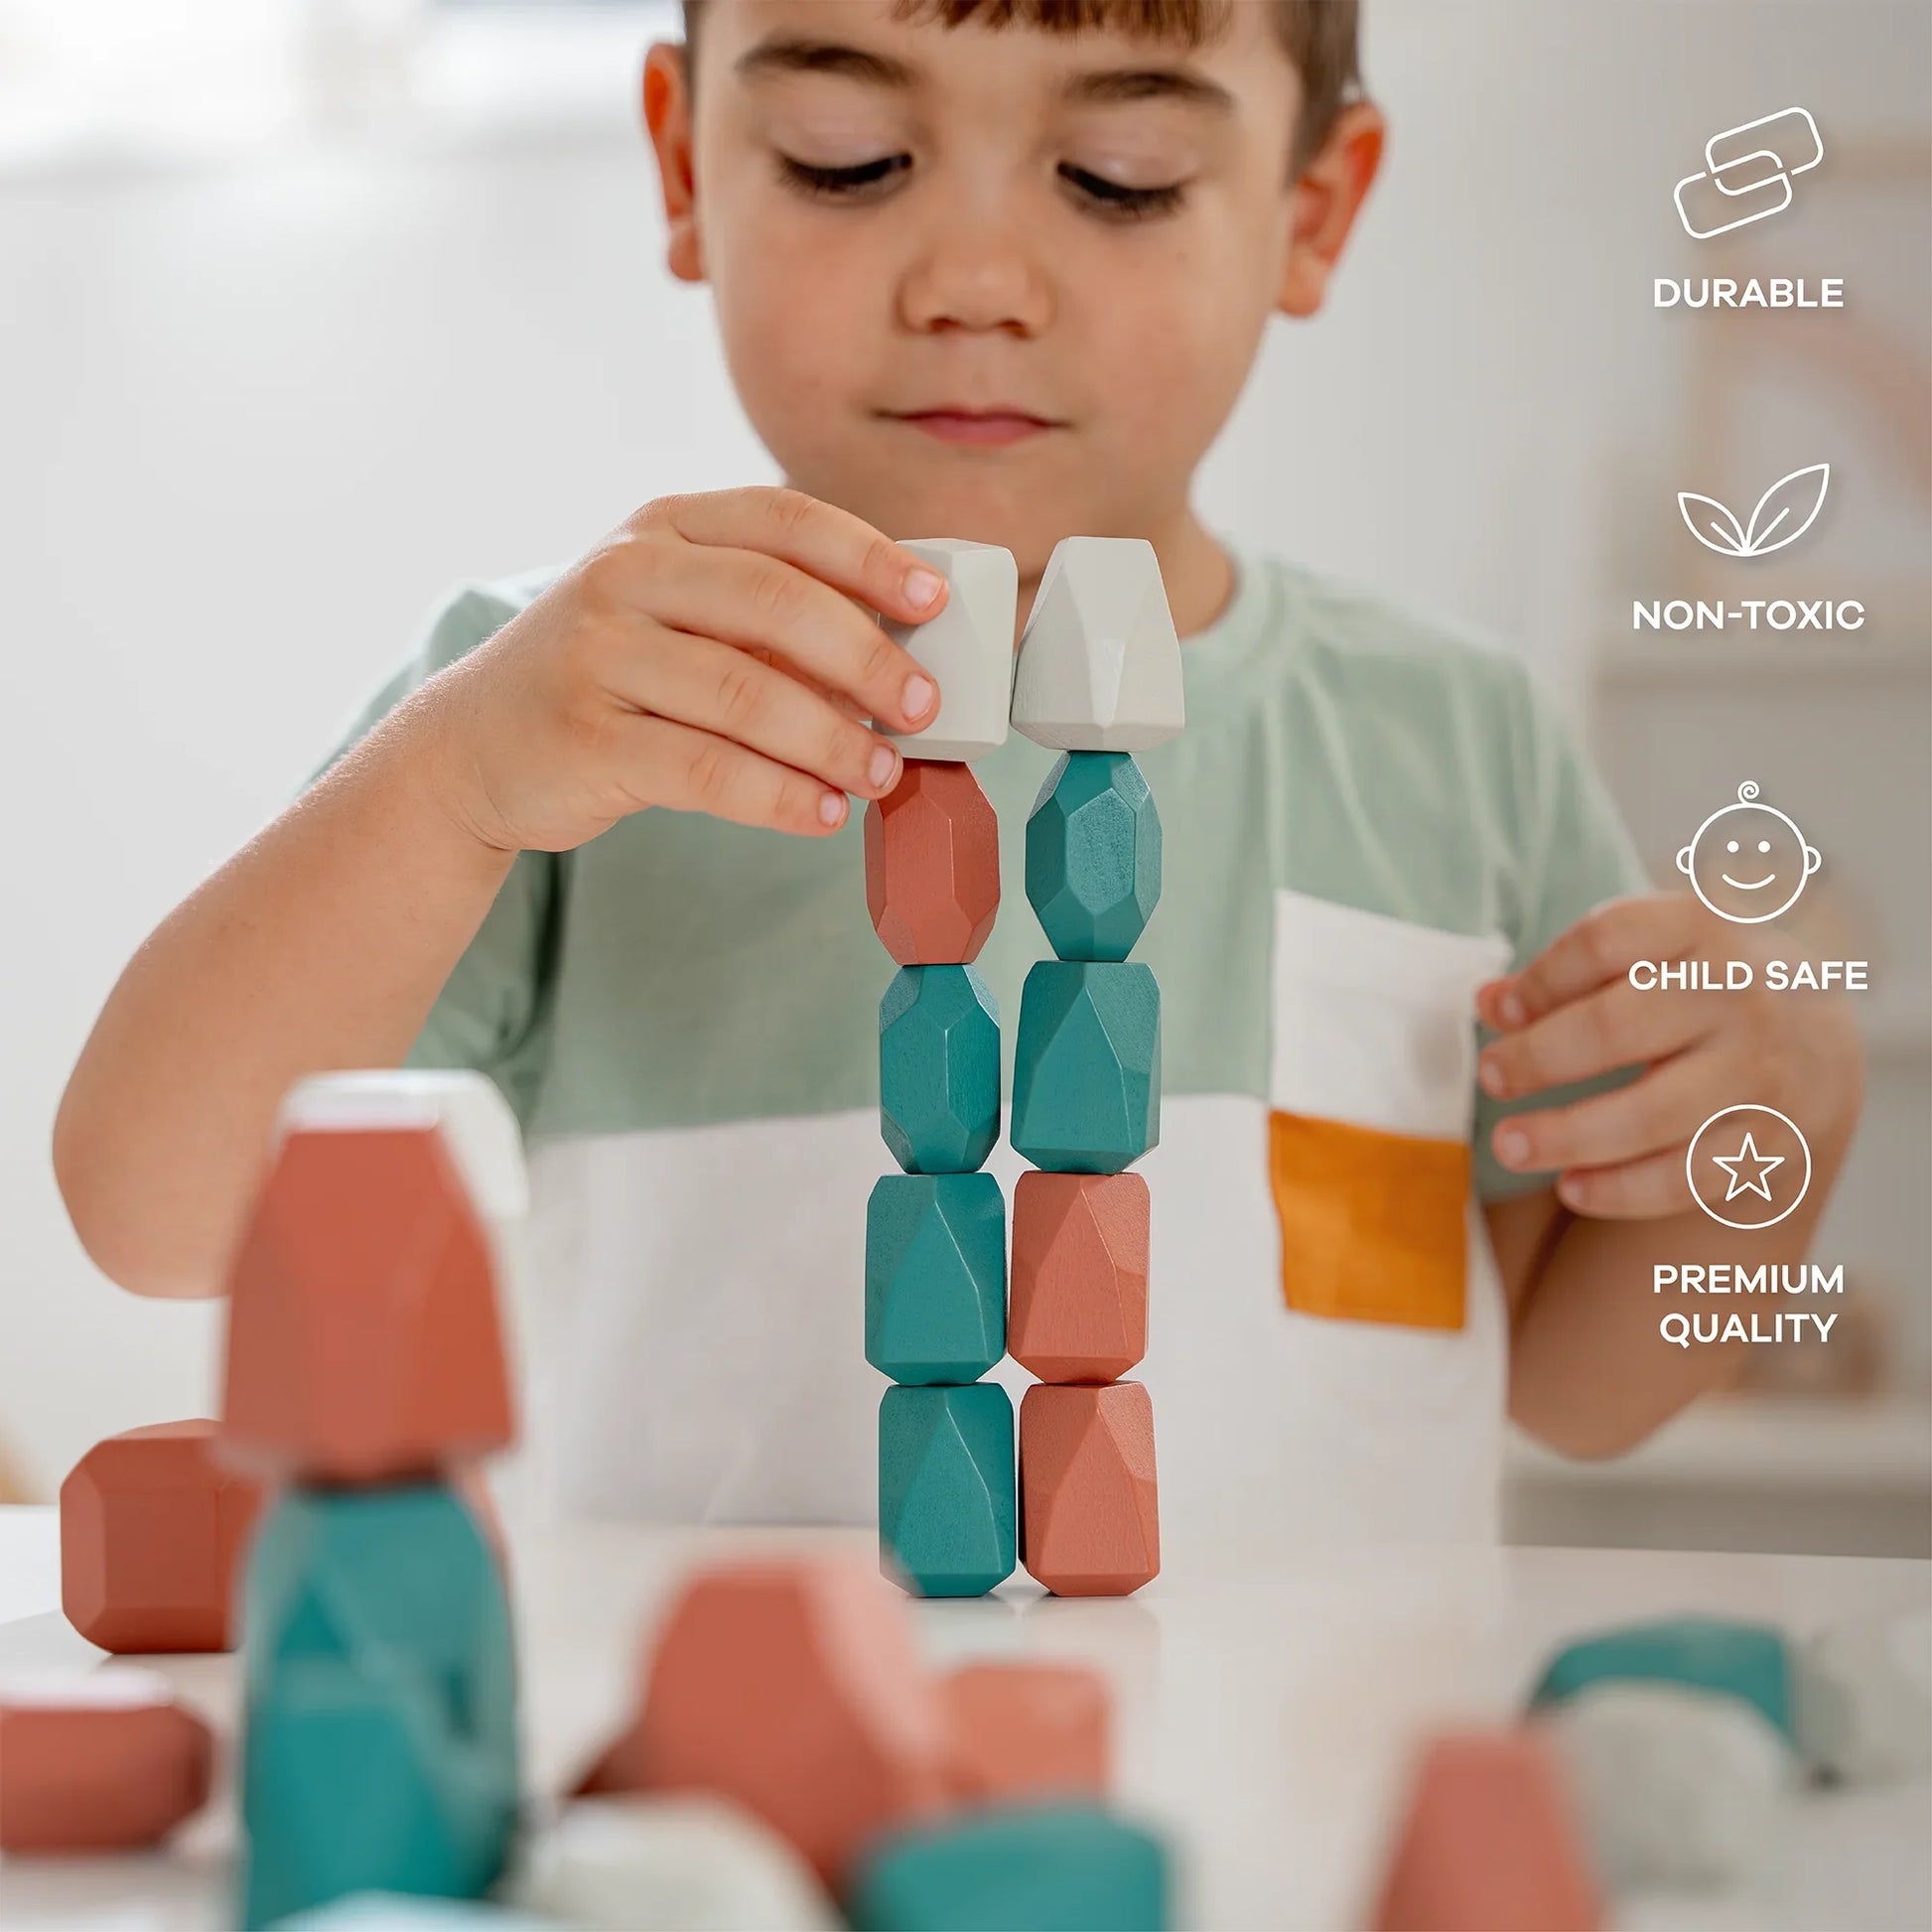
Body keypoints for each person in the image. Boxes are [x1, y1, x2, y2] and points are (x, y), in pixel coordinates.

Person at [54, 0, 1862, 1547]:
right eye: (848, 158)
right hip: (751, 1800)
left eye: (1117, 180)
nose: (975, 283)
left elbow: (1577, 1382)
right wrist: (447, 784)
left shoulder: (1453, 736)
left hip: (1315, 1802)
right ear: (688, 166)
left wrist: (1763, 1148)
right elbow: (155, 1210)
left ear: (1311, 210)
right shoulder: (554, 713)